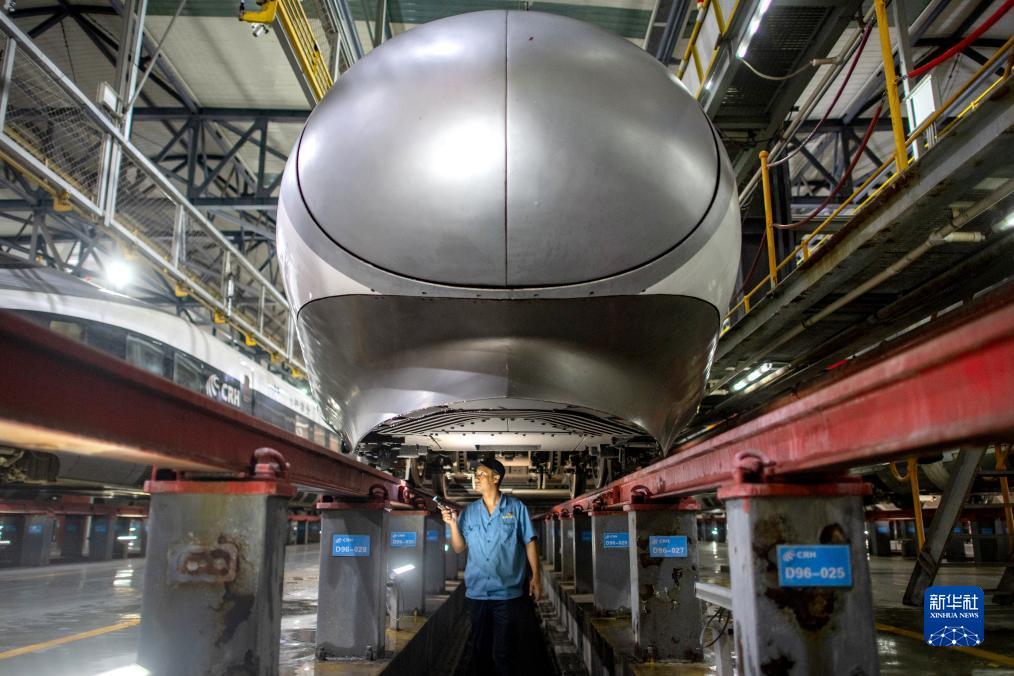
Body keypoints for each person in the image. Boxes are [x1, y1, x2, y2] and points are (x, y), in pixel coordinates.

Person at [441, 457, 541, 676]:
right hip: (478, 593)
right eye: (475, 475)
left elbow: (529, 542)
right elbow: (458, 547)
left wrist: (536, 577)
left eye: (481, 474)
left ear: (496, 478)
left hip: (507, 594)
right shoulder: (469, 512)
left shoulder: (516, 508)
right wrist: (452, 525)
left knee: (505, 652)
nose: (476, 478)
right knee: (479, 651)